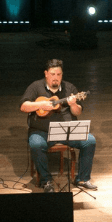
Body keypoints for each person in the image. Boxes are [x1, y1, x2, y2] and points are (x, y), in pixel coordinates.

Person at [20, 59, 97, 192]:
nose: (55, 78)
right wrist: (40, 105)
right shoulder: (35, 86)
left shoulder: (70, 88)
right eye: (52, 74)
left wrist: (73, 104)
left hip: (66, 131)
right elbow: (23, 106)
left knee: (90, 140)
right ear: (46, 73)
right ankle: (46, 181)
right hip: (41, 131)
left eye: (59, 74)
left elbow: (78, 111)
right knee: (36, 144)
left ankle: (82, 179)